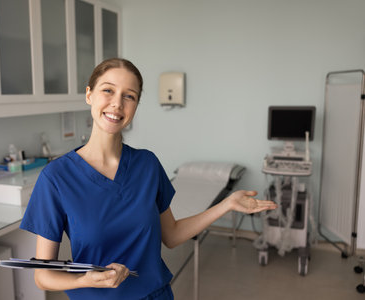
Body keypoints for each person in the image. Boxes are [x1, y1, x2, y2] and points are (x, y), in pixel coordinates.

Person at [20, 58, 277, 299]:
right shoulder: (56, 178)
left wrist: (227, 204)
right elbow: (43, 275)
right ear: (89, 94)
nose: (117, 104)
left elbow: (172, 235)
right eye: (108, 90)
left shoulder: (147, 164)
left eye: (129, 96)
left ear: (135, 106)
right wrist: (84, 280)